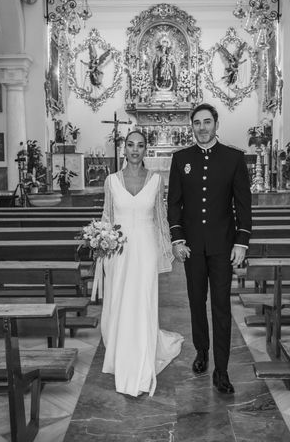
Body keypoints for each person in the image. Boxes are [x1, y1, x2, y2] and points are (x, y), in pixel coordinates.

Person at [167, 103, 252, 394]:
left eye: (207, 122)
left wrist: (242, 241)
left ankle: (223, 370)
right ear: (191, 126)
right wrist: (177, 239)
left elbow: (243, 205)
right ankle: (202, 351)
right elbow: (174, 203)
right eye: (197, 123)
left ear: (216, 124)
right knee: (195, 302)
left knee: (221, 306)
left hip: (222, 245)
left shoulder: (233, 158)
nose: (202, 128)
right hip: (192, 247)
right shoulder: (181, 159)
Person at [99, 130, 183, 397]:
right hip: (119, 250)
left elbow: (160, 216)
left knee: (143, 301)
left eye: (140, 145)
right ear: (124, 148)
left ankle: (143, 359)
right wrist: (101, 242)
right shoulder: (111, 180)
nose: (135, 149)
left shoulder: (157, 180)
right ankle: (122, 352)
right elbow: (107, 215)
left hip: (146, 249)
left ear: (146, 149)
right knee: (121, 301)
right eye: (130, 145)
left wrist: (170, 246)